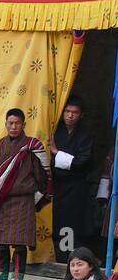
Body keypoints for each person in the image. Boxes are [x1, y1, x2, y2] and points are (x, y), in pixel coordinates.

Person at [0, 108, 50, 280]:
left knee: (19, 242)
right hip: (2, 200)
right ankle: (2, 277)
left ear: (23, 125)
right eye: (10, 123)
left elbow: (41, 175)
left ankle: (17, 279)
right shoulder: (1, 145)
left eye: (17, 123)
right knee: (0, 239)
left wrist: (38, 196)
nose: (13, 127)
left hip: (23, 199)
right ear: (6, 125)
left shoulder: (30, 147)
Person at [51, 99, 93, 262]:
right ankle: (60, 257)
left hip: (75, 188)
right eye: (67, 112)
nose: (70, 116)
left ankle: (69, 260)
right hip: (57, 186)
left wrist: (56, 152)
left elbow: (83, 161)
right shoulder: (56, 131)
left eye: (74, 113)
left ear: (81, 115)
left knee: (71, 225)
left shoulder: (85, 135)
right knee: (58, 222)